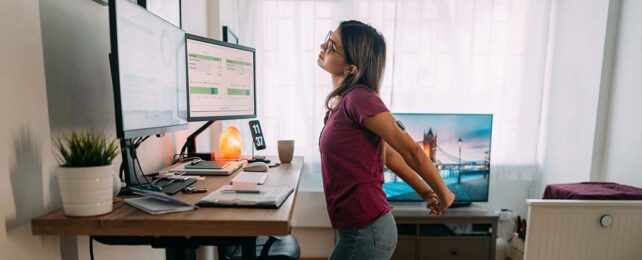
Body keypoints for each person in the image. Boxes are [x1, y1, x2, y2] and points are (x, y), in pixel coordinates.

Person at [317, 20, 456, 260]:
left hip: (367, 231)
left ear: (351, 67)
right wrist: (425, 191)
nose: (323, 45)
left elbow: (411, 150)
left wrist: (445, 195)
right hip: (360, 230)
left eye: (332, 45)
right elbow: (388, 155)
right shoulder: (341, 104)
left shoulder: (360, 98)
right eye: (329, 38)